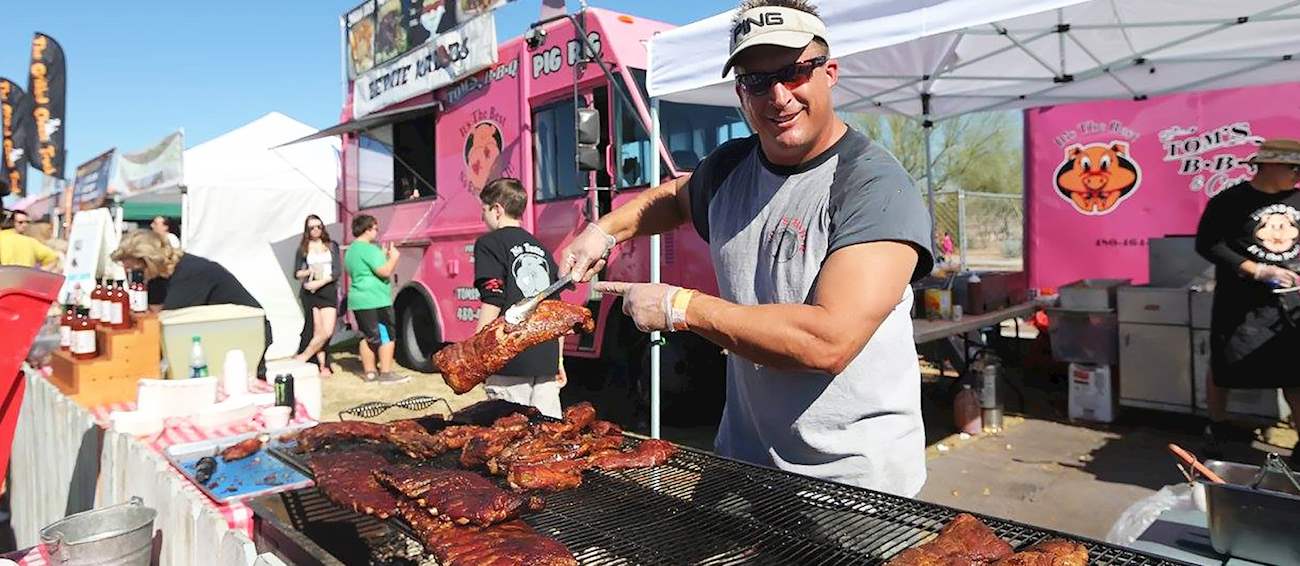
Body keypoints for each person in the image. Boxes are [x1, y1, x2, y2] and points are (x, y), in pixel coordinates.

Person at [559, 0, 934, 496]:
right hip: (743, 462)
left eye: (795, 72)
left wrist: (680, 307)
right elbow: (674, 197)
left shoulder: (874, 187)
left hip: (851, 483)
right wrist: (603, 231)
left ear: (830, 72)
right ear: (740, 92)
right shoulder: (731, 168)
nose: (778, 96)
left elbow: (827, 341)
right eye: (757, 81)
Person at [1195, 138, 1300, 465]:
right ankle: (1218, 426)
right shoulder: (1229, 201)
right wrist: (1254, 269)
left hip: (1290, 303)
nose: (1297, 177)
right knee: (1224, 364)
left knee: (1295, 373)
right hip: (1241, 301)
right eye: (1294, 169)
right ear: (1270, 165)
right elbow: (1208, 244)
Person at [111, 229, 273, 378]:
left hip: (244, 333)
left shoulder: (193, 273)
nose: (133, 276)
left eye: (135, 270)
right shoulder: (156, 277)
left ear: (149, 261)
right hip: (214, 333)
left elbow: (166, 321)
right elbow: (150, 316)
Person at [472, 178, 566, 418]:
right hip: (545, 356)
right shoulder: (541, 248)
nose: (482, 217)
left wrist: (478, 353)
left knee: (509, 434)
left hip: (509, 356)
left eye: (484, 210)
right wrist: (559, 360)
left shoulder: (489, 243)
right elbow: (557, 309)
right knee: (548, 435)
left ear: (497, 209)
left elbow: (493, 297)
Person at [344, 214, 409, 384]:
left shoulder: (351, 250)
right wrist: (394, 258)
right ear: (367, 229)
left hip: (358, 299)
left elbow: (360, 269)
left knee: (367, 336)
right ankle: (386, 373)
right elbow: (384, 271)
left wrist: (380, 257)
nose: (376, 232)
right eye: (375, 228)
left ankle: (370, 373)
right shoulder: (369, 249)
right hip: (375, 299)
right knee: (386, 335)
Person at [293, 215, 340, 376]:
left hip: (327, 290)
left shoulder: (331, 246)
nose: (316, 230)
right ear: (307, 230)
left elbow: (336, 272)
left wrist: (320, 282)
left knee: (327, 331)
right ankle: (322, 365)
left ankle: (304, 356)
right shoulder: (303, 248)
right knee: (317, 330)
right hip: (310, 293)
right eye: (312, 227)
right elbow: (296, 273)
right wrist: (308, 272)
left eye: (319, 226)